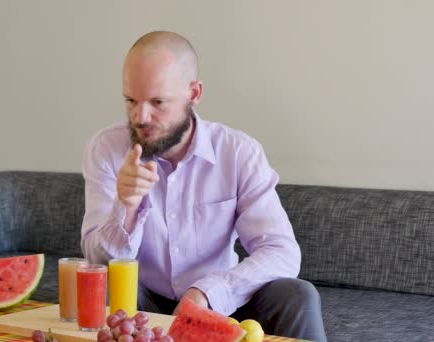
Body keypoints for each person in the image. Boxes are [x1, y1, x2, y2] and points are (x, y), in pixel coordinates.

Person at [80, 31, 327, 341]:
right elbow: (95, 262)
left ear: (194, 94)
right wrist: (126, 206)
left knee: (297, 295)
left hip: (222, 303)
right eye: (131, 100)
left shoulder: (238, 152)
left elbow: (281, 251)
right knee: (101, 286)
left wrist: (206, 292)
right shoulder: (105, 149)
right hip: (141, 302)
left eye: (158, 102)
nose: (140, 117)